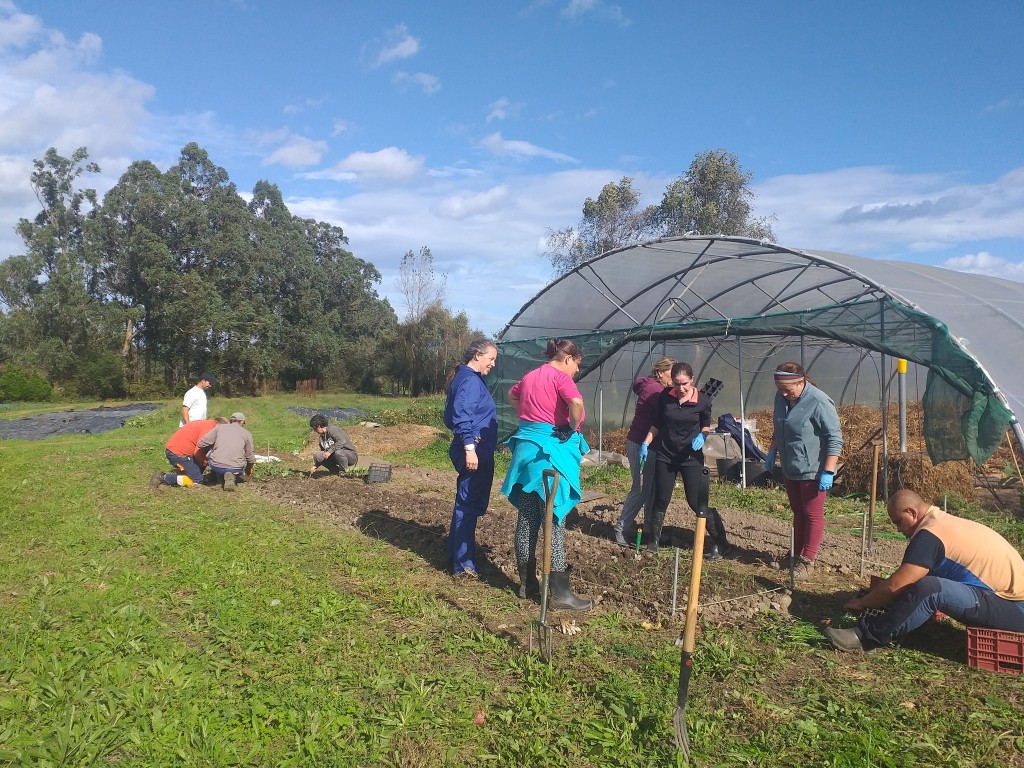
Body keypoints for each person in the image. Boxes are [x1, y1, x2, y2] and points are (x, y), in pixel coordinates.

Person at [825, 489, 1024, 653]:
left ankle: (866, 637)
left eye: (898, 522)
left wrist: (863, 603)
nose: (898, 530)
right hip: (1006, 602)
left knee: (931, 589)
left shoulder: (930, 535)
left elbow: (897, 585)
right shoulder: (940, 522)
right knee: (924, 582)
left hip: (1015, 609)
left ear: (912, 512)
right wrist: (876, 597)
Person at [500, 338, 593, 611]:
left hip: (527, 451)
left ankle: (527, 584)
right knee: (554, 519)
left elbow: (511, 396)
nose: (577, 370)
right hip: (551, 452)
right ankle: (560, 595)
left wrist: (529, 418)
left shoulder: (530, 376)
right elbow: (575, 402)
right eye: (577, 364)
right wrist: (570, 427)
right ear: (568, 359)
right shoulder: (561, 377)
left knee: (528, 519)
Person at [763, 361, 842, 576]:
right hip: (791, 467)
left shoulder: (819, 401)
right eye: (780, 389)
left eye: (787, 390)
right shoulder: (781, 398)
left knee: (812, 514)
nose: (784, 394)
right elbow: (779, 426)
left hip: (813, 469)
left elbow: (834, 438)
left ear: (800, 382)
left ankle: (807, 561)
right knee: (798, 513)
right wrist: (772, 451)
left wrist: (828, 471)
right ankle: (795, 555)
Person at [640, 362, 727, 556]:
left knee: (696, 502)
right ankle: (653, 544)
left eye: (685, 384)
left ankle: (722, 543)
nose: (681, 388)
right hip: (666, 456)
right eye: (677, 384)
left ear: (692, 380)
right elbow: (658, 423)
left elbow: (706, 425)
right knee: (661, 499)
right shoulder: (665, 396)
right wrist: (645, 443)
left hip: (690, 458)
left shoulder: (703, 401)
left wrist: (702, 436)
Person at [442, 338, 499, 578]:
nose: (493, 364)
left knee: (467, 504)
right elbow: (461, 415)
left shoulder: (467, 378)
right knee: (467, 505)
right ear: (477, 355)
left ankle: (456, 557)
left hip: (476, 448)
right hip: (474, 450)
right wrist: (469, 447)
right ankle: (463, 565)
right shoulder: (470, 381)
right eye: (491, 359)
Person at [611, 356, 674, 547]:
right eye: (671, 374)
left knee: (652, 488)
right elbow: (669, 411)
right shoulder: (654, 390)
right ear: (660, 372)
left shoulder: (658, 388)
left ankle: (649, 529)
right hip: (641, 444)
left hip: (652, 445)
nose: (674, 379)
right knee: (640, 489)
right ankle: (621, 528)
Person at [150, 416, 229, 489]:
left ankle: (187, 473)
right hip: (178, 454)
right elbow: (199, 451)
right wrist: (207, 462)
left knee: (200, 467)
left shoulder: (207, 423)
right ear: (220, 426)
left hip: (178, 450)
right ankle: (163, 477)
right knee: (196, 482)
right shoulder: (209, 429)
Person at [197, 412, 255, 491]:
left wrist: (214, 447)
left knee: (212, 453)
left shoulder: (219, 428)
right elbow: (250, 456)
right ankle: (232, 476)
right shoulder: (247, 433)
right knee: (237, 466)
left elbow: (201, 443)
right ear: (242, 422)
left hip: (216, 465)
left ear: (231, 420)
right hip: (236, 468)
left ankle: (218, 476)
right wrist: (249, 469)